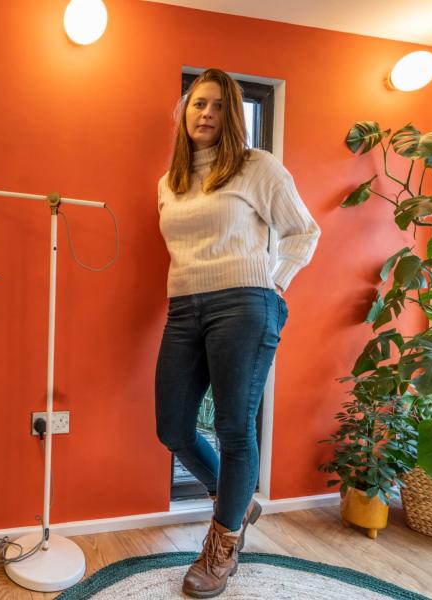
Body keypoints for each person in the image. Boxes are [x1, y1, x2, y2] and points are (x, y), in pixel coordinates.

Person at [154, 68, 320, 598]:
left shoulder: (257, 167)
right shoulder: (170, 181)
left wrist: (274, 283)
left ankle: (222, 546)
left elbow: (303, 230)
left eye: (219, 105)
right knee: (173, 427)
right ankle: (236, 498)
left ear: (233, 115)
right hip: (184, 306)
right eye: (198, 104)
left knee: (233, 425)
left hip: (245, 304)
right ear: (183, 113)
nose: (206, 113)